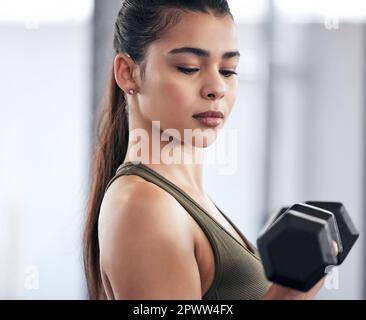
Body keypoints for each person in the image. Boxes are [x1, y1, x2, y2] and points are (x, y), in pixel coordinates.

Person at [83, 0, 328, 300]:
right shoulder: (144, 206)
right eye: (189, 68)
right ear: (128, 73)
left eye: (228, 70)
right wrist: (288, 295)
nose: (216, 87)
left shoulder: (183, 200)